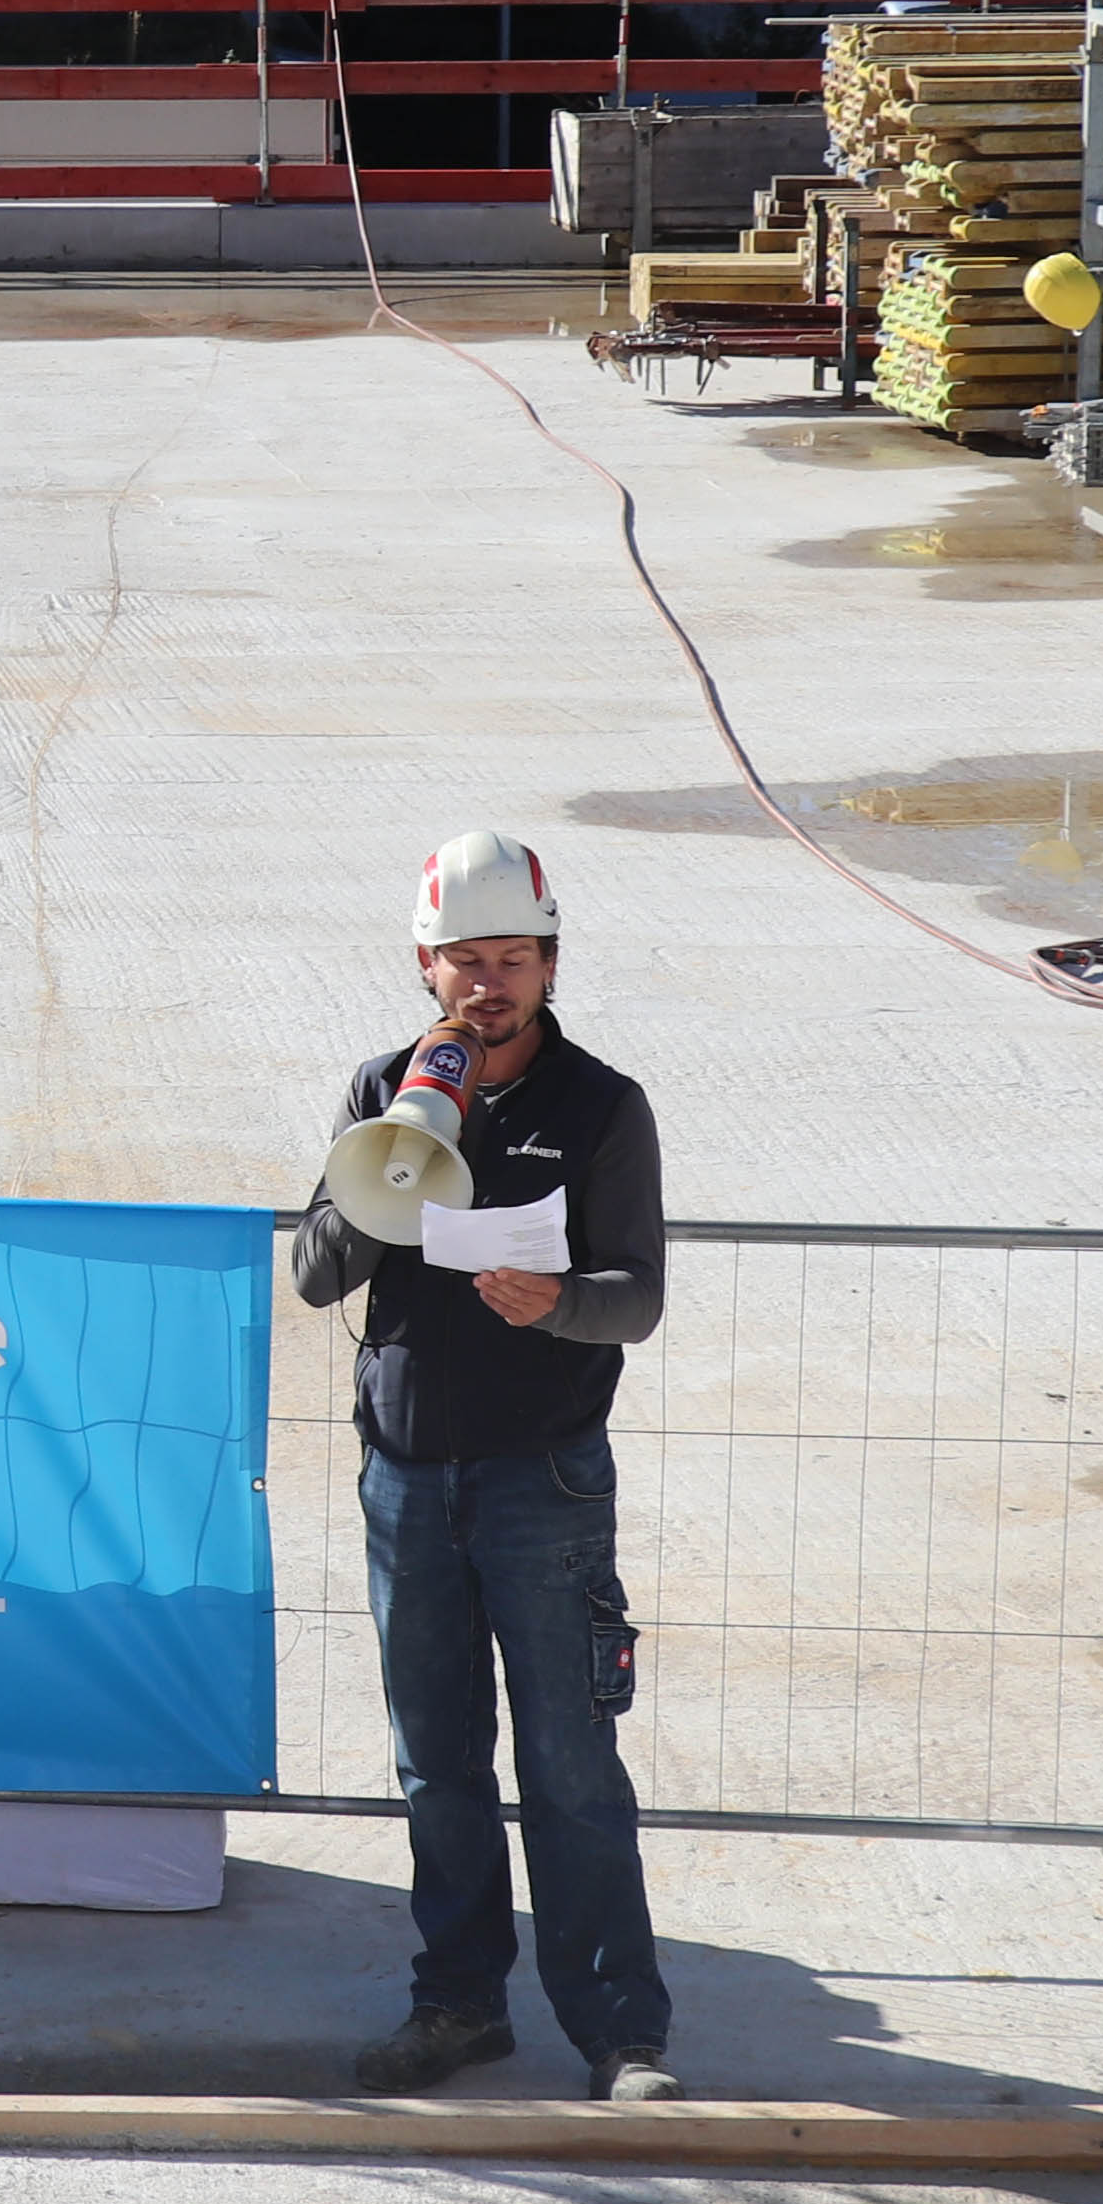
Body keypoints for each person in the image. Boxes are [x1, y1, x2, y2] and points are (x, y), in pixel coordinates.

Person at [290, 830, 676, 2101]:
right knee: (436, 1763)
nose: (486, 985)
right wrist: (399, 1141)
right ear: (424, 961)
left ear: (550, 962)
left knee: (567, 1763)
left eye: (512, 959)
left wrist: (555, 1301)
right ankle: (456, 2005)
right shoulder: (378, 1084)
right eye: (464, 960)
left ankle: (619, 2033)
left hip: (541, 1483)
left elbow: (635, 1297)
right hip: (405, 1477)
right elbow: (312, 1277)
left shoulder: (601, 1106)